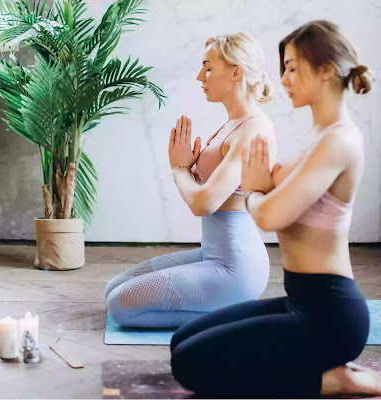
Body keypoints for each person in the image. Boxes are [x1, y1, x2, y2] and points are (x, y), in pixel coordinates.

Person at [170, 20, 380, 398]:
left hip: (330, 314)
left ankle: (329, 380)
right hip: (300, 299)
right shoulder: (318, 138)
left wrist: (253, 189)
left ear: (326, 71)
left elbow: (268, 216)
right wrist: (260, 187)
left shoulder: (339, 141)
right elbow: (267, 195)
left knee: (189, 364)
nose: (283, 79)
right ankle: (319, 367)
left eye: (294, 68)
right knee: (181, 342)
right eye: (285, 68)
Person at [104, 32, 276, 328]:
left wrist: (180, 170)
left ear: (236, 72)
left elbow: (204, 203)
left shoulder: (253, 129)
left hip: (235, 268)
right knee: (113, 289)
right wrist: (193, 169)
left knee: (121, 307)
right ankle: (228, 308)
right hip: (212, 254)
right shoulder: (233, 122)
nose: (200, 76)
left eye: (208, 67)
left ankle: (237, 312)